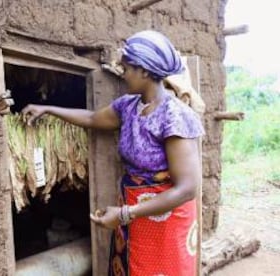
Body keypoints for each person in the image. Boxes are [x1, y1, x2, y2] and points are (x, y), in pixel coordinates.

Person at [22, 30, 204, 276]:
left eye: (127, 67)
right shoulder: (129, 106)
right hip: (130, 212)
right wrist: (48, 109)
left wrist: (126, 214)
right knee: (129, 268)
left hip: (165, 219)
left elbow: (187, 188)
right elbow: (93, 118)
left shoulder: (175, 116)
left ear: (145, 71)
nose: (122, 71)